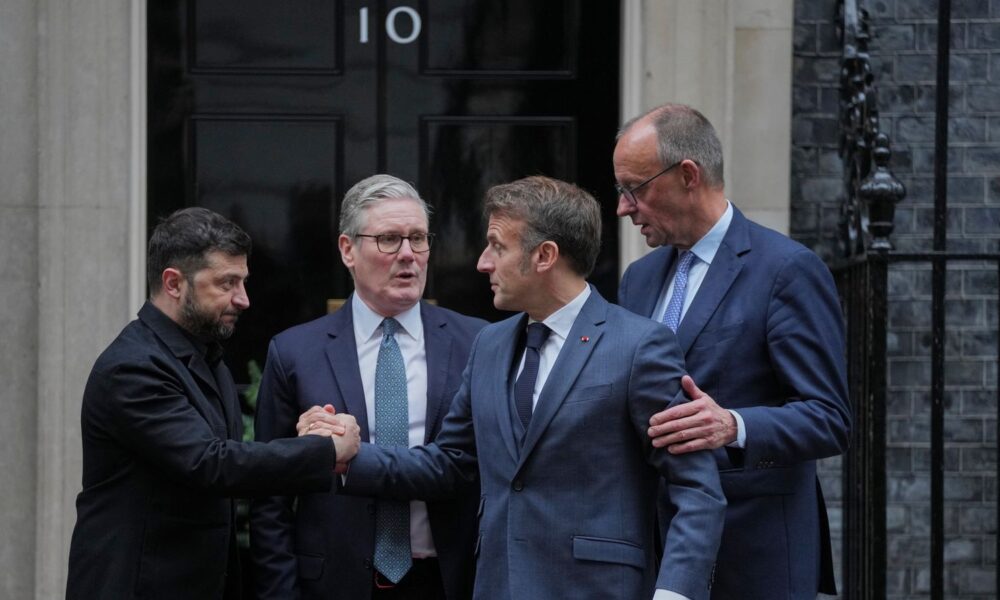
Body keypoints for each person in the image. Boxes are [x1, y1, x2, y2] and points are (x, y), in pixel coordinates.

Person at [307, 175, 726, 600]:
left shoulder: (639, 346)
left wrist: (675, 593)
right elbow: (449, 463)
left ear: (544, 256)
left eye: (497, 246)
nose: (482, 263)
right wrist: (348, 455)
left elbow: (696, 490)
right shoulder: (489, 345)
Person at [613, 103, 851, 599]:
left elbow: (829, 418)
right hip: (653, 557)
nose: (623, 207)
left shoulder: (786, 270)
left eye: (634, 189)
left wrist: (733, 425)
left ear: (688, 175)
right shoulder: (639, 279)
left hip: (752, 556)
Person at [65, 207, 360, 600]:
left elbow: (226, 460)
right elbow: (210, 464)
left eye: (243, 282)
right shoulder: (132, 367)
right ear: (174, 283)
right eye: (227, 283)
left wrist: (305, 435)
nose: (244, 299)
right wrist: (323, 450)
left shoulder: (207, 356)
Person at [249, 175, 488, 600]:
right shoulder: (295, 352)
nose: (408, 255)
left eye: (418, 238)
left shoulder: (479, 343)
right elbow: (270, 497)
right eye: (389, 239)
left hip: (450, 581)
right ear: (348, 250)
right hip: (333, 583)